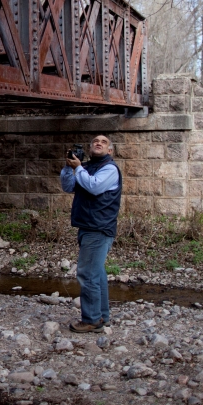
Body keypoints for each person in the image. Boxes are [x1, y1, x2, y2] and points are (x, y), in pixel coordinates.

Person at [59, 134, 122, 333]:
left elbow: (94, 187)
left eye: (104, 142)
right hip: (87, 226)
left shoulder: (110, 169)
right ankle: (102, 316)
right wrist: (69, 167)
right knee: (97, 273)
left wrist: (78, 168)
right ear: (89, 147)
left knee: (87, 274)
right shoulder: (85, 167)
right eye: (96, 141)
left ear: (110, 151)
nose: (99, 143)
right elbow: (68, 186)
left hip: (98, 228)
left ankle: (91, 319)